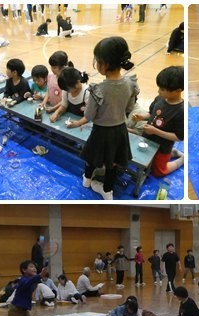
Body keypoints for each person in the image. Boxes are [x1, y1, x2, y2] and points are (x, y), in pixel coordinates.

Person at [80, 37, 139, 200]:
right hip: (119, 130)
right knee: (113, 163)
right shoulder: (130, 83)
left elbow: (89, 116)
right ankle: (107, 190)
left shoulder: (98, 90)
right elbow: (129, 108)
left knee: (92, 158)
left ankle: (87, 180)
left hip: (100, 131)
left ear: (103, 64)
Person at [131, 65, 184, 177]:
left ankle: (182, 159)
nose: (159, 91)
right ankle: (173, 153)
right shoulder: (159, 98)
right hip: (147, 140)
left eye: (163, 89)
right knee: (143, 162)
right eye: (159, 88)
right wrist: (142, 117)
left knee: (158, 172)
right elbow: (151, 114)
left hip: (163, 147)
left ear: (178, 90)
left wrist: (155, 131)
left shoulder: (181, 111)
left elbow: (178, 137)